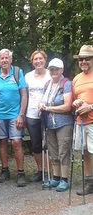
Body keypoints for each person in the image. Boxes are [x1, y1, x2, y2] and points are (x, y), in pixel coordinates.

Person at [0, 48, 28, 187]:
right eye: (2, 58)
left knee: (16, 142)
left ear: (11, 59)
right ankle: (5, 170)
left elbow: (24, 94)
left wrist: (21, 114)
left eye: (7, 58)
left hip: (15, 115)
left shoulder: (17, 72)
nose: (4, 60)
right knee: (2, 142)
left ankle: (21, 172)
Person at [38, 58, 73, 192]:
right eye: (51, 69)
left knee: (63, 151)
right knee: (53, 152)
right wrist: (41, 106)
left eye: (56, 69)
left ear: (61, 70)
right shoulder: (47, 85)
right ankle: (56, 177)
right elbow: (43, 101)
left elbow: (67, 106)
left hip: (64, 123)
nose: (53, 71)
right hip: (49, 124)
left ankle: (64, 179)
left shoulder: (66, 84)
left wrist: (48, 108)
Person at [25, 50, 51, 182]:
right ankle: (40, 170)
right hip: (31, 114)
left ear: (45, 60)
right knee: (36, 144)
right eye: (35, 59)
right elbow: (24, 95)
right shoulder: (28, 76)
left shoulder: (50, 75)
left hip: (48, 113)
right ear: (32, 61)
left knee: (48, 144)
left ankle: (49, 171)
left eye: (41, 58)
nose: (38, 61)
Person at [72, 45, 93, 195]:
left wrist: (91, 107)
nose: (83, 61)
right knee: (85, 152)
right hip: (81, 121)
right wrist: (76, 103)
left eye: (87, 58)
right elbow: (75, 99)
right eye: (81, 59)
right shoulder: (76, 79)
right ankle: (89, 183)